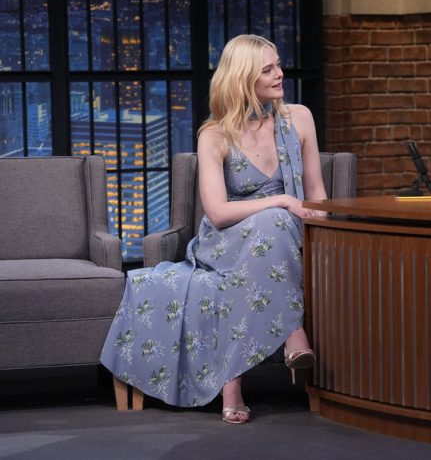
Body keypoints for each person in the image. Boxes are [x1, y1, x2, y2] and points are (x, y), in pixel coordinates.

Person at [100, 34, 327, 425]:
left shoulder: (300, 118)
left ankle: (230, 385)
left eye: (278, 64)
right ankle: (293, 333)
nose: (279, 74)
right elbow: (218, 212)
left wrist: (320, 226)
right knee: (274, 218)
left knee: (276, 224)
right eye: (268, 69)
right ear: (243, 79)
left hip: (290, 234)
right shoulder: (215, 134)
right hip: (227, 240)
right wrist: (281, 200)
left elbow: (317, 194)